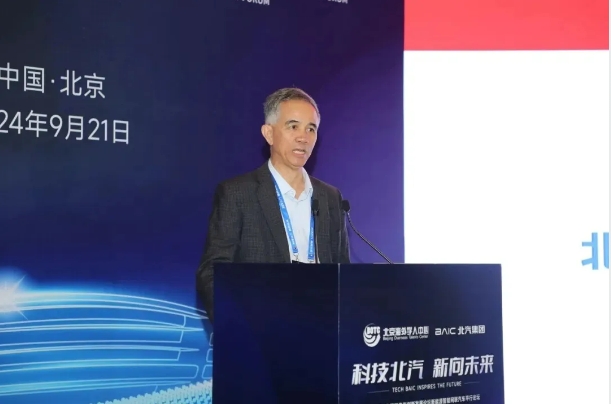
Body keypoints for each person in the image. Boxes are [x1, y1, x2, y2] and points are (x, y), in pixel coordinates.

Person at [196, 87, 350, 322]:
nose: (303, 137)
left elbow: (344, 272)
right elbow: (212, 272)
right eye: (293, 126)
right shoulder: (238, 193)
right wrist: (239, 326)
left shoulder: (330, 197)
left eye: (311, 129)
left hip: (321, 328)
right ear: (268, 133)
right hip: (259, 330)